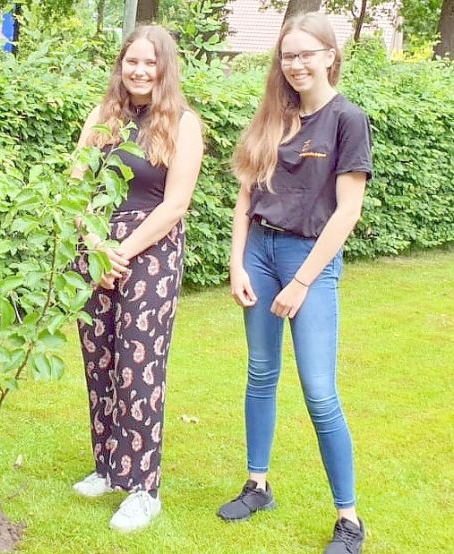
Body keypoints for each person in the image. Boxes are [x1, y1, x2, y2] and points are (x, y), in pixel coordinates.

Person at [217, 12, 372, 554]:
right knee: (261, 372)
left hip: (310, 258)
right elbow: (244, 198)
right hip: (259, 251)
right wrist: (238, 264)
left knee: (319, 390)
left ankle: (349, 520)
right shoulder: (271, 117)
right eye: (288, 55)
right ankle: (257, 485)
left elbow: (346, 212)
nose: (297, 64)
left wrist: (303, 281)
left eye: (307, 53)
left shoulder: (348, 120)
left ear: (330, 55)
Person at [71, 26, 204, 532]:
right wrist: (96, 247)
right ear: (120, 65)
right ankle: (107, 466)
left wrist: (121, 251)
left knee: (139, 366)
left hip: (150, 251)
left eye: (150, 63)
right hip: (97, 250)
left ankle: (143, 486)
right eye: (132, 62)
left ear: (165, 68)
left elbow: (174, 205)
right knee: (100, 360)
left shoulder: (182, 125)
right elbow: (74, 191)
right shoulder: (103, 117)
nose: (140, 71)